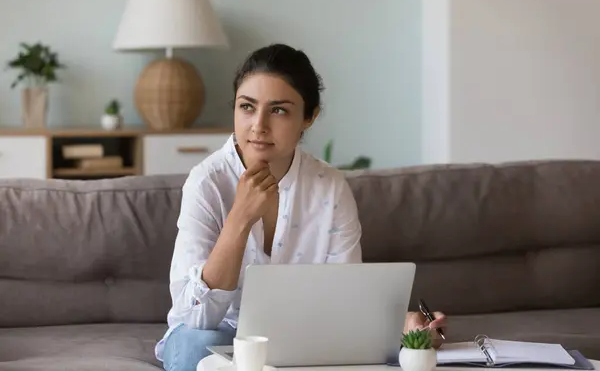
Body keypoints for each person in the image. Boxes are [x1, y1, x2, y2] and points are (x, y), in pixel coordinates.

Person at [156, 44, 447, 371]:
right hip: (216, 335)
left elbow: (344, 301)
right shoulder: (206, 182)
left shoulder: (330, 187)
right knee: (196, 348)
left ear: (309, 117)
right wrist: (239, 219)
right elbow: (195, 316)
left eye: (278, 110)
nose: (258, 125)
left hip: (300, 336)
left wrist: (401, 327)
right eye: (247, 107)